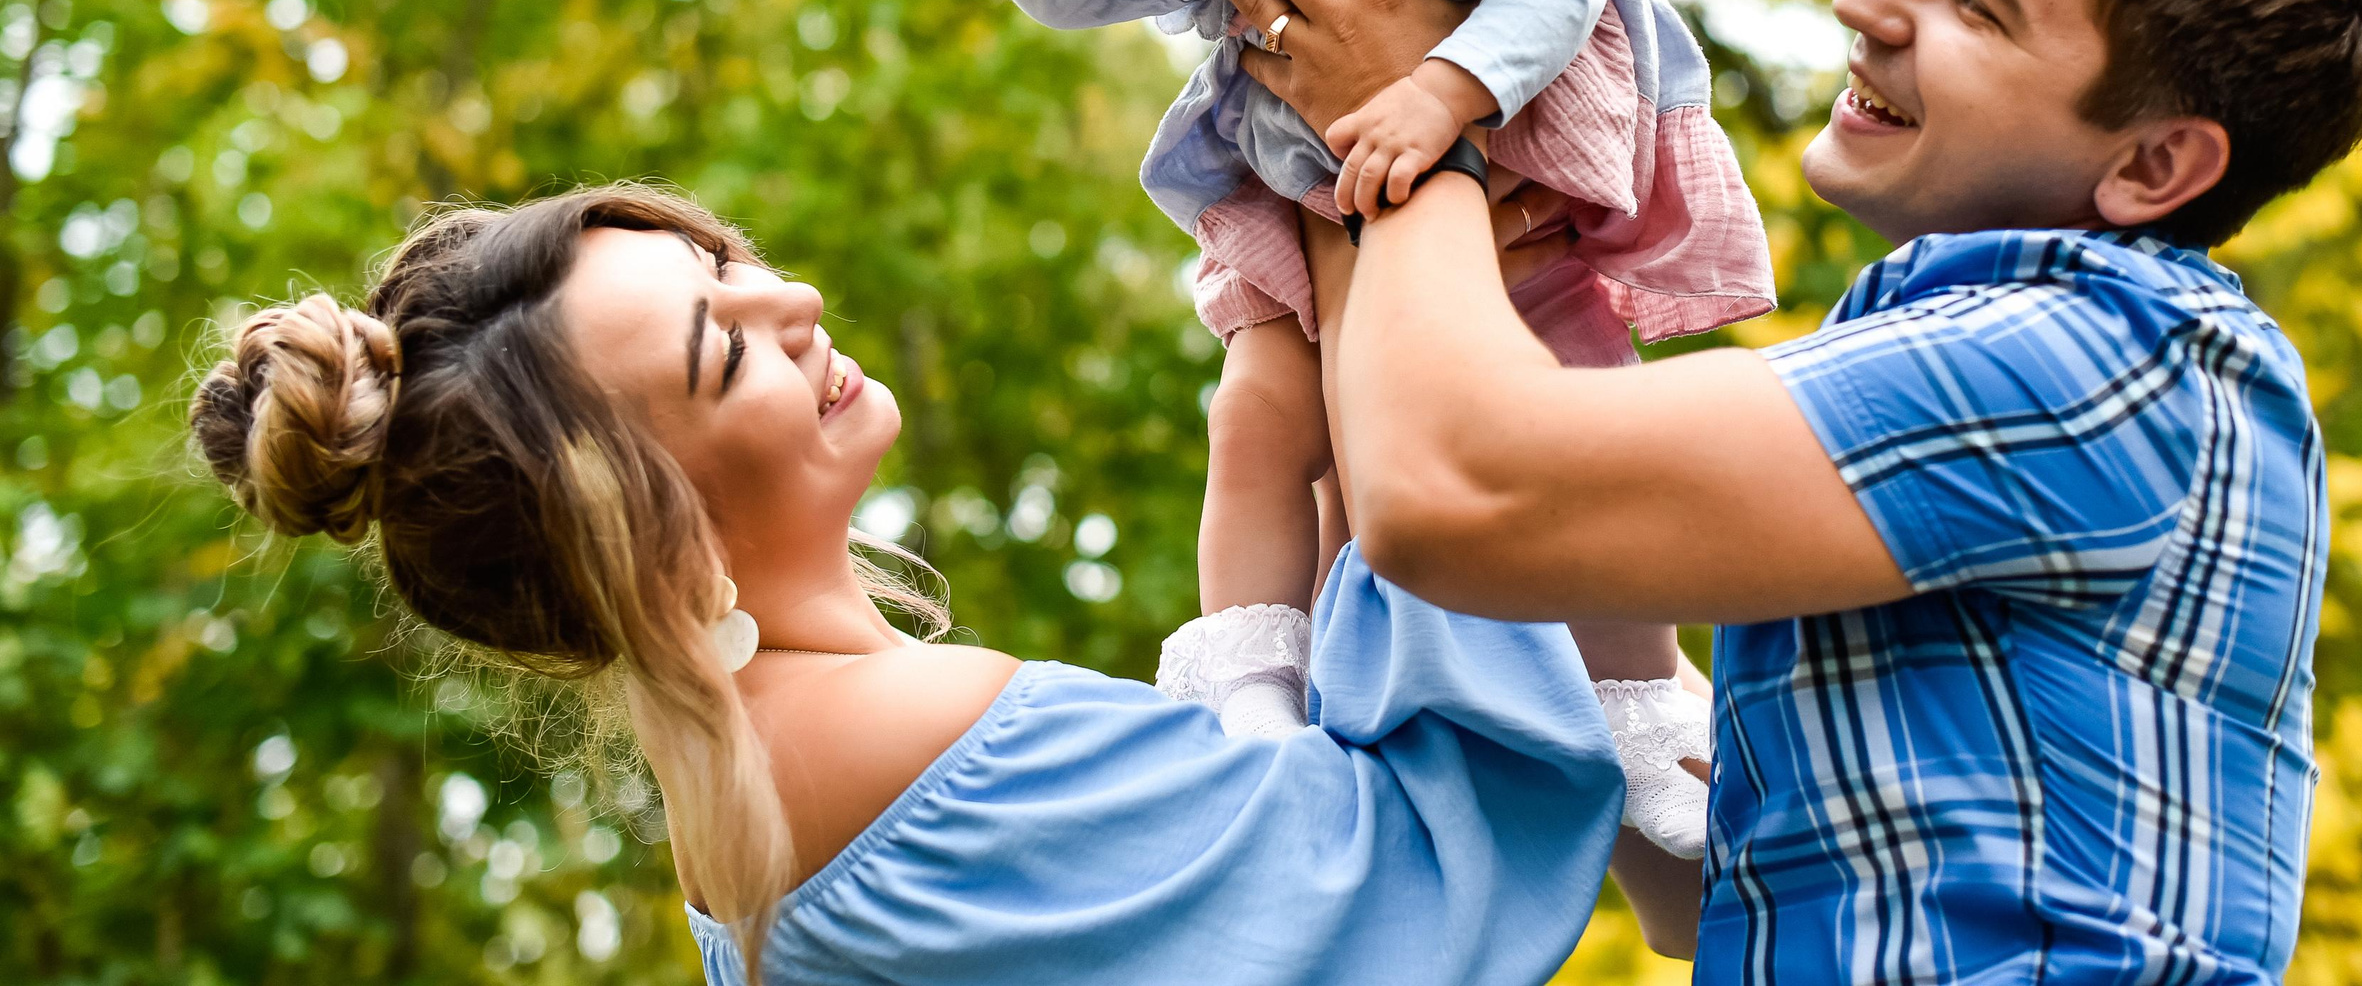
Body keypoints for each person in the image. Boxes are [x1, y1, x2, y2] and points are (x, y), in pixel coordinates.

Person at [1219, 0, 2362, 981]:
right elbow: (1698, 889)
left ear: (2155, 165)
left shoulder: (2106, 358)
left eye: (1974, 4)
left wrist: (1400, 126)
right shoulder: (1976, 374)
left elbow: (1448, 494)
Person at [184, 184, 1638, 986]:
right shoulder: (894, 743)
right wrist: (1394, 244)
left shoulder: (762, 786)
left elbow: (1271, 833)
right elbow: (1417, 863)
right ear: (657, 541)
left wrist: (1294, 481)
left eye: (726, 261)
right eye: (723, 346)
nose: (792, 300)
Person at [922, 0, 1767, 849]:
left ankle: (1642, 705)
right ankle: (1254, 676)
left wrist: (1444, 89)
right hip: (1296, 233)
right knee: (1258, 426)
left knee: (1589, 443)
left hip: (1510, 223)